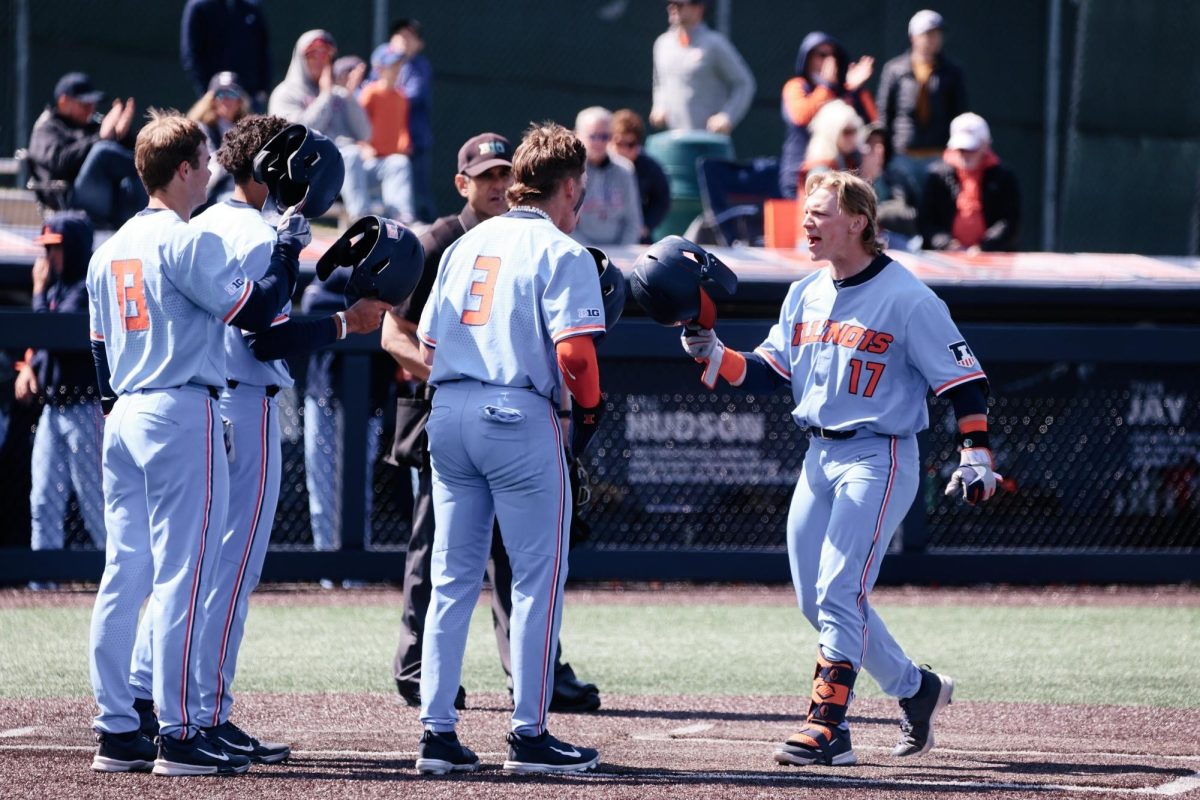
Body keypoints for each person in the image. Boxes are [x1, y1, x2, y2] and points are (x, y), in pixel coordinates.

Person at [679, 170, 997, 767]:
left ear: (858, 222)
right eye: (807, 212)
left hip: (879, 453)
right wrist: (714, 355)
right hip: (819, 455)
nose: (807, 222)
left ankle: (828, 727)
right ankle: (916, 689)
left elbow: (963, 379)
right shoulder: (804, 291)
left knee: (839, 590)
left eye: (820, 213)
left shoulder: (908, 296)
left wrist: (975, 451)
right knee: (816, 598)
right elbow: (771, 368)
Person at [124, 114, 391, 764]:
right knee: (227, 570)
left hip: (192, 400)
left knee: (185, 568)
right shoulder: (252, 231)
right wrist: (342, 325)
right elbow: (264, 336)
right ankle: (203, 713)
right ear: (284, 165)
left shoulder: (206, 220)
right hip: (242, 401)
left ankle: (143, 697)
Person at [86, 108, 308, 776]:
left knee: (124, 573)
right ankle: (180, 733)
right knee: (184, 571)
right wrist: (290, 250)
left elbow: (98, 353)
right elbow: (260, 313)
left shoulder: (109, 247)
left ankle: (117, 726)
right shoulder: (185, 240)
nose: (210, 170)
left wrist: (118, 410)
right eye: (203, 161)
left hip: (125, 410)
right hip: (181, 407)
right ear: (181, 169)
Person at [382, 132, 601, 715]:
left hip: (448, 411)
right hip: (518, 413)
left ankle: (437, 729)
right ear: (571, 186)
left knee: (451, 579)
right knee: (534, 581)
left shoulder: (464, 245)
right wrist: (590, 414)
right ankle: (529, 730)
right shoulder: (563, 250)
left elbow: (427, 343)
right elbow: (577, 357)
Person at [18, 212, 105, 566]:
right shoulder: (56, 287)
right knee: (42, 501)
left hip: (85, 409)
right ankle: (44, 586)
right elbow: (43, 347)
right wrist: (29, 366)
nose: (48, 257)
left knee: (95, 504)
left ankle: (120, 583)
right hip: (53, 410)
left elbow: (53, 333)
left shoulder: (86, 288)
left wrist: (37, 293)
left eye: (55, 248)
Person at [269, 30, 374, 220]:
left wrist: (349, 96)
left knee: (396, 164)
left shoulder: (338, 94)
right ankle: (362, 220)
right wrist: (325, 96)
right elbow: (299, 136)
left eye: (325, 55)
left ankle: (405, 222)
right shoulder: (285, 93)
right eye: (312, 54)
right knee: (349, 155)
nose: (319, 60)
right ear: (301, 58)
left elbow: (365, 133)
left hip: (346, 171)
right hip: (304, 172)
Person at [27, 72, 146, 229]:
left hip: (112, 196)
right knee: (102, 151)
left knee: (130, 170)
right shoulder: (47, 127)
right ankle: (157, 170)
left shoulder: (91, 125)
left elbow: (124, 152)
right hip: (69, 198)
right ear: (63, 101)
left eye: (93, 103)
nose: (91, 108)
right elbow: (59, 162)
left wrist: (121, 135)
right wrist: (101, 138)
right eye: (84, 103)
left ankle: (154, 180)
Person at [778, 32, 877, 198]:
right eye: (822, 55)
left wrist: (855, 91)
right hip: (801, 177)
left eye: (834, 55)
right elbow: (801, 116)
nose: (829, 61)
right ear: (807, 59)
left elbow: (873, 123)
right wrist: (826, 87)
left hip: (845, 174)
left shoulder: (846, 90)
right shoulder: (796, 86)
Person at [878, 10, 969, 187]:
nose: (933, 39)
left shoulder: (952, 72)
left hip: (938, 157)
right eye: (927, 34)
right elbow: (884, 113)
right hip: (902, 157)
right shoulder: (894, 70)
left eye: (937, 34)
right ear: (913, 36)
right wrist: (885, 153)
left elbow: (959, 113)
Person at [650, 0, 756, 134]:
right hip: (673, 141)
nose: (673, 8)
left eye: (679, 5)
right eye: (671, 4)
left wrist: (727, 116)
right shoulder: (662, 44)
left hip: (708, 141)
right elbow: (660, 83)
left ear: (698, 9)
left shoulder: (715, 44)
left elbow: (744, 83)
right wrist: (659, 105)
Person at [919, 112, 1020, 252]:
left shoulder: (1003, 176)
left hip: (992, 259)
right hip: (944, 259)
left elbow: (1009, 221)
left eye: (971, 149)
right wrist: (946, 243)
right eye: (961, 150)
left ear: (985, 145)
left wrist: (984, 247)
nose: (965, 154)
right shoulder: (937, 175)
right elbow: (927, 220)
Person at [351, 45, 415, 223]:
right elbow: (355, 129)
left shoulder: (401, 98)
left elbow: (403, 131)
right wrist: (364, 147)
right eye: (392, 66)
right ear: (379, 69)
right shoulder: (369, 93)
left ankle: (401, 219)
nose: (396, 70)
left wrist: (404, 144)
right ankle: (362, 219)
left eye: (398, 65)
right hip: (365, 166)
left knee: (400, 162)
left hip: (388, 164)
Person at [180, 0, 271, 109]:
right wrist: (206, 92)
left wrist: (263, 89)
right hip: (213, 97)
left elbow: (264, 50)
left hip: (249, 97)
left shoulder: (252, 6)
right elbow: (191, 55)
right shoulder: (199, 6)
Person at [388, 19, 436, 223]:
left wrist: (387, 94)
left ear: (420, 44)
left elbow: (412, 95)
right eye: (401, 36)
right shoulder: (383, 64)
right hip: (387, 145)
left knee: (420, 197)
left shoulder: (420, 67)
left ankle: (427, 239)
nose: (405, 41)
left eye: (411, 37)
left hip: (415, 143)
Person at [573, 107, 642, 246]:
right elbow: (565, 222)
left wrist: (621, 251)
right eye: (593, 136)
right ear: (578, 135)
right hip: (580, 251)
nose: (599, 142)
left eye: (604, 136)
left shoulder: (625, 170)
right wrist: (590, 253)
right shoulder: (571, 171)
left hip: (620, 254)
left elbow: (633, 221)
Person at [186, 71, 252, 208]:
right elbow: (208, 170)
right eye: (221, 94)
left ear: (240, 100)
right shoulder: (201, 128)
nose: (226, 100)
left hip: (241, 189)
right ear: (212, 100)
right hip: (209, 194)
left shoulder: (248, 128)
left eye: (232, 94)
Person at [610, 109, 670, 244]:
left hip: (634, 235)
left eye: (630, 144)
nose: (624, 150)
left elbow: (662, 199)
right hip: (601, 234)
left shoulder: (648, 168)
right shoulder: (595, 166)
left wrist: (646, 225)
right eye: (619, 143)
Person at [859, 122, 921, 249]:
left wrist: (876, 215)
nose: (878, 150)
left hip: (890, 238)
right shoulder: (849, 178)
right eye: (871, 144)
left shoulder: (893, 178)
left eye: (880, 144)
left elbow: (904, 212)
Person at [798, 100, 865, 194]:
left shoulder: (850, 159)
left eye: (854, 130)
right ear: (832, 133)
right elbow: (823, 206)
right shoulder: (820, 169)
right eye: (847, 132)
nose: (852, 137)